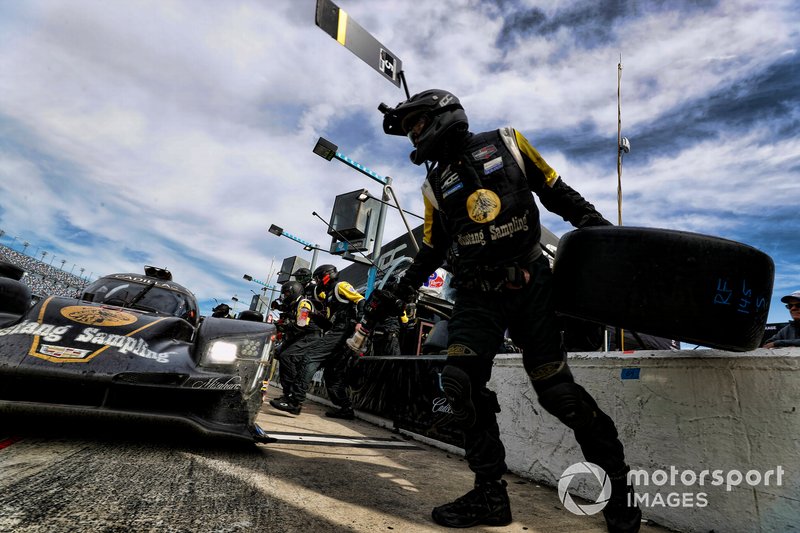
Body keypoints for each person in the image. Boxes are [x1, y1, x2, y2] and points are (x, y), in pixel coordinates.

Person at [380, 89, 641, 531]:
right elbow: (429, 252)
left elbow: (562, 196)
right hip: (477, 298)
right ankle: (489, 496)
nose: (413, 134)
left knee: (558, 395)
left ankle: (618, 491)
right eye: (409, 129)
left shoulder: (509, 141)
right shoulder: (432, 187)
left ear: (444, 114)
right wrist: (396, 291)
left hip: (533, 287)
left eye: (417, 124)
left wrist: (611, 241)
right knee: (459, 382)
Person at [290, 264, 365, 419]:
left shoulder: (341, 286)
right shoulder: (329, 295)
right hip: (338, 330)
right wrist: (313, 315)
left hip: (343, 331)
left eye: (318, 278)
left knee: (310, 357)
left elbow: (361, 300)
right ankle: (346, 409)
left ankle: (295, 401)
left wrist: (360, 321)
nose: (317, 282)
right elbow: (329, 322)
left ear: (326, 275)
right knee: (332, 374)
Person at [269, 281, 323, 415]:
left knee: (287, 357)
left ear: (294, 292)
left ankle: (294, 398)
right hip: (301, 336)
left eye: (287, 293)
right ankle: (288, 394)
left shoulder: (304, 303)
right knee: (279, 353)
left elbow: (301, 325)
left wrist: (284, 327)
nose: (284, 296)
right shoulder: (293, 305)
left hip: (310, 336)